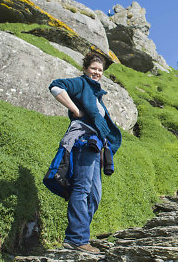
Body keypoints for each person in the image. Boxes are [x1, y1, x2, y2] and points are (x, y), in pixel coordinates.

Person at [48, 52, 122, 255]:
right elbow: (55, 86)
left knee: (94, 195)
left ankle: (78, 234)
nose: (97, 72)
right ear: (85, 69)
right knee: (82, 189)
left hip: (95, 147)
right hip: (82, 142)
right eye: (94, 68)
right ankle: (77, 238)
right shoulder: (81, 84)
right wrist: (75, 110)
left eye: (100, 70)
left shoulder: (97, 94)